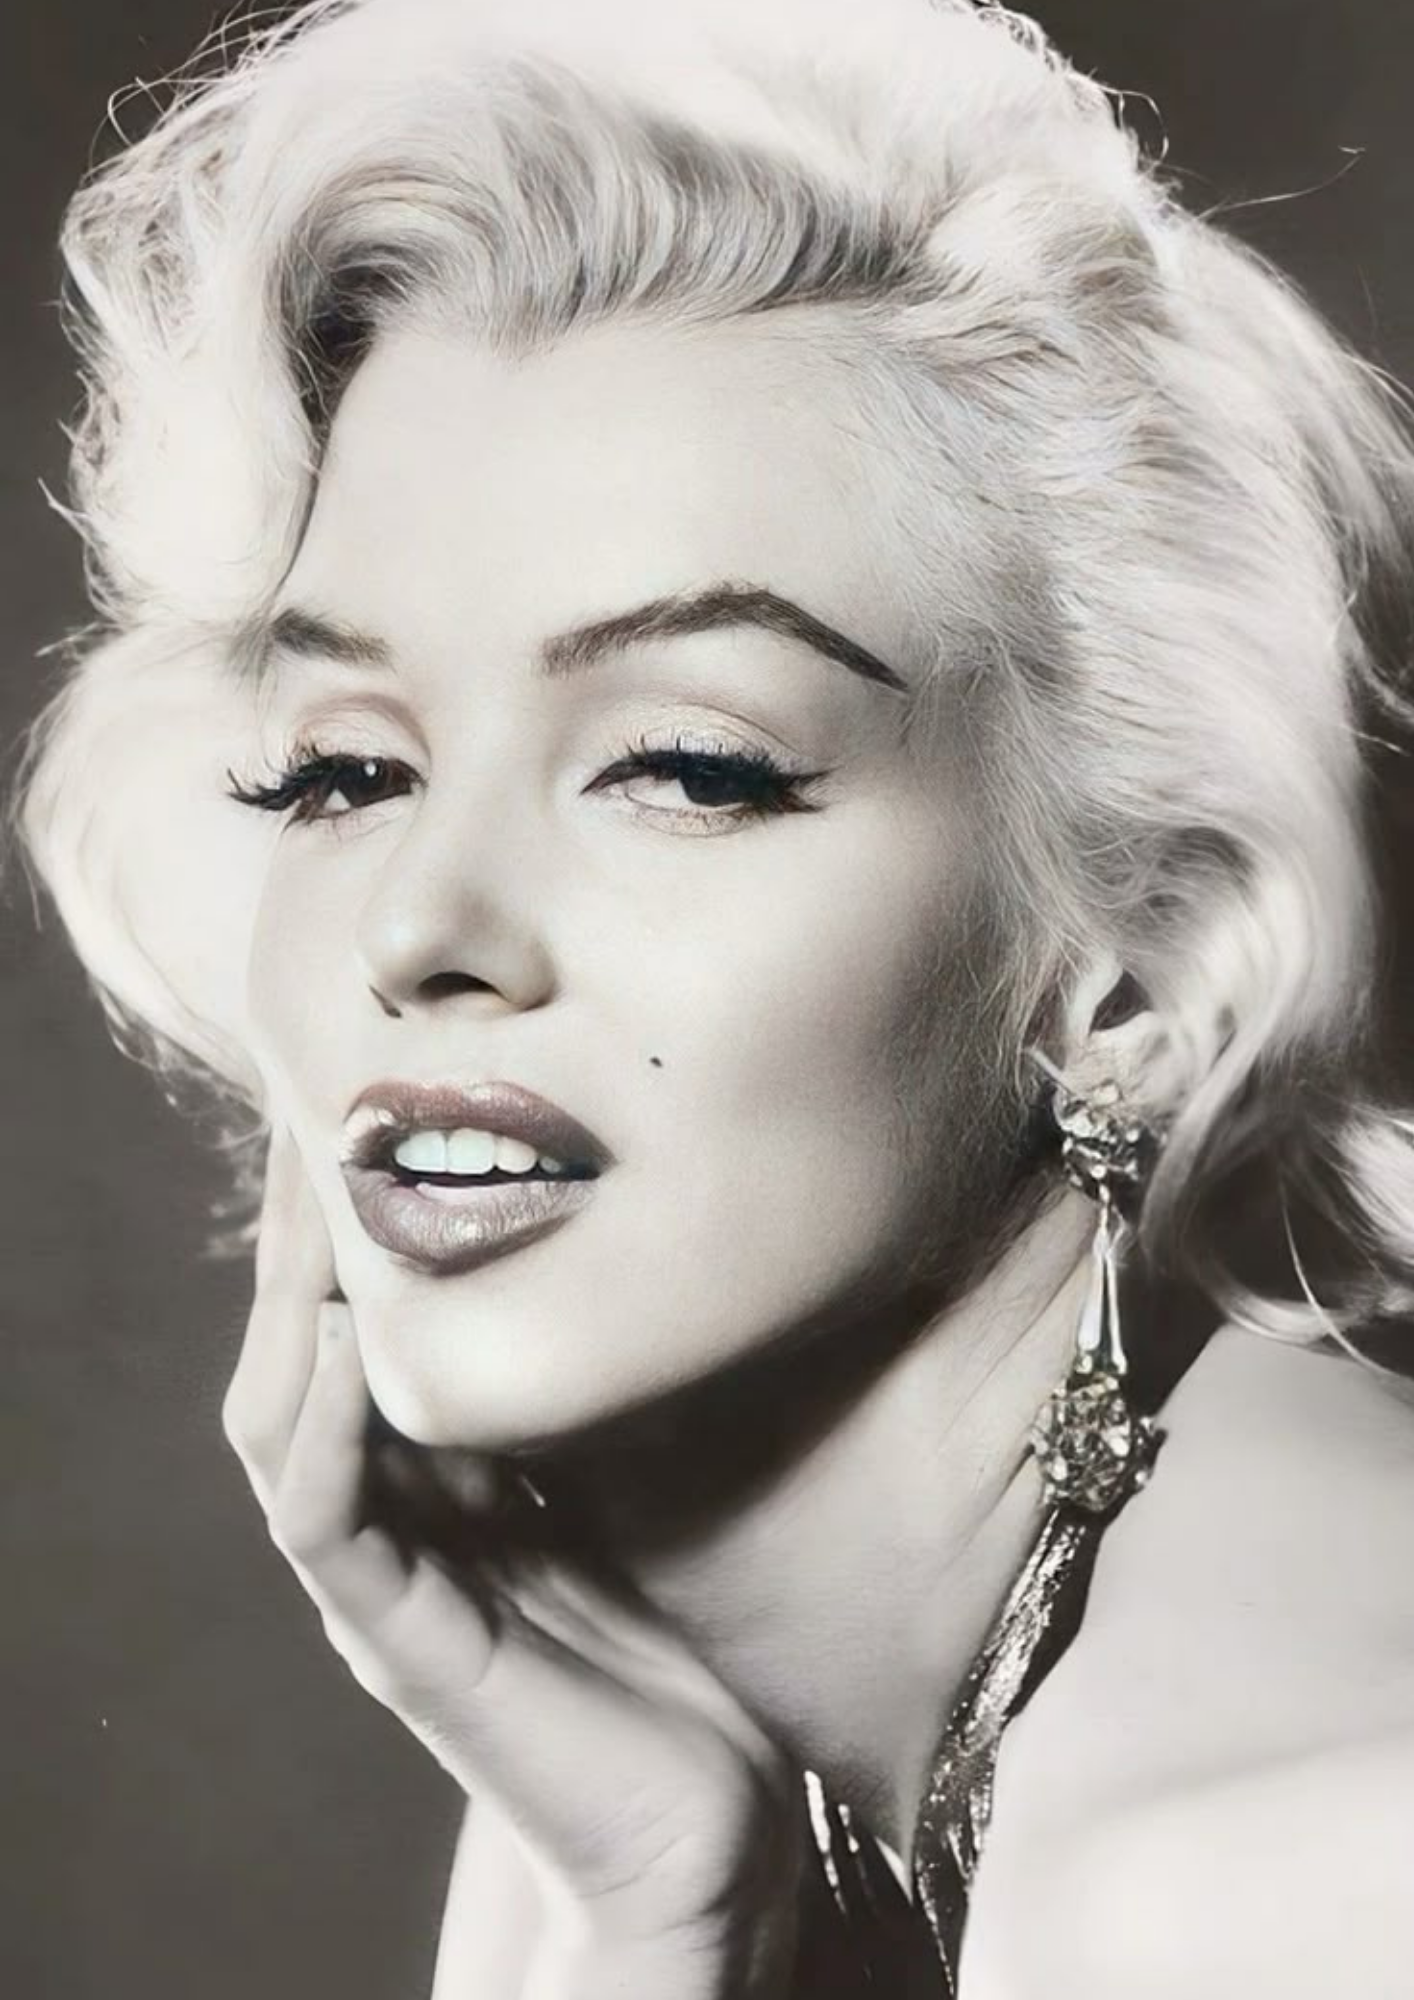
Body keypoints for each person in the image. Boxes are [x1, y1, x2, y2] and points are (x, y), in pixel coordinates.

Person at [9, 0, 1414, 1991]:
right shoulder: (626, 1803)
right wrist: (653, 1921)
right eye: (344, 770)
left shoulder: (1277, 1879)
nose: (420, 923)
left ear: (1145, 957)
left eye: (682, 765)